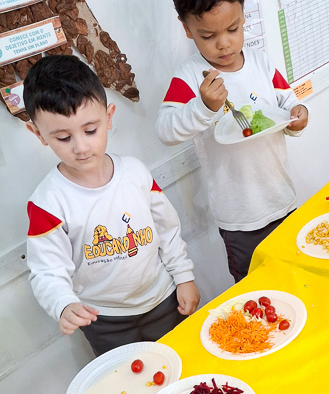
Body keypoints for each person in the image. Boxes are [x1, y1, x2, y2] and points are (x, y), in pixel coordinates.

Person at [24, 55, 200, 356]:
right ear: (38, 134)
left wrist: (184, 276)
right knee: (129, 382)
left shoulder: (136, 173)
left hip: (164, 300)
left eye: (90, 130)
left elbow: (167, 229)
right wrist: (63, 304)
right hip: (104, 320)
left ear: (108, 117)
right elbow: (47, 269)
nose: (81, 147)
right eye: (63, 137)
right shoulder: (47, 203)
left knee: (183, 366)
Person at [155, 0, 309, 282]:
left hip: (282, 200)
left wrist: (298, 115)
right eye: (208, 36)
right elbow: (165, 130)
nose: (224, 44)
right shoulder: (190, 77)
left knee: (296, 279)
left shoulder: (260, 62)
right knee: (255, 290)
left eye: (233, 29)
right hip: (239, 219)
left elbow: (288, 104)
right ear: (186, 28)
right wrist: (203, 107)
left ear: (242, 14)